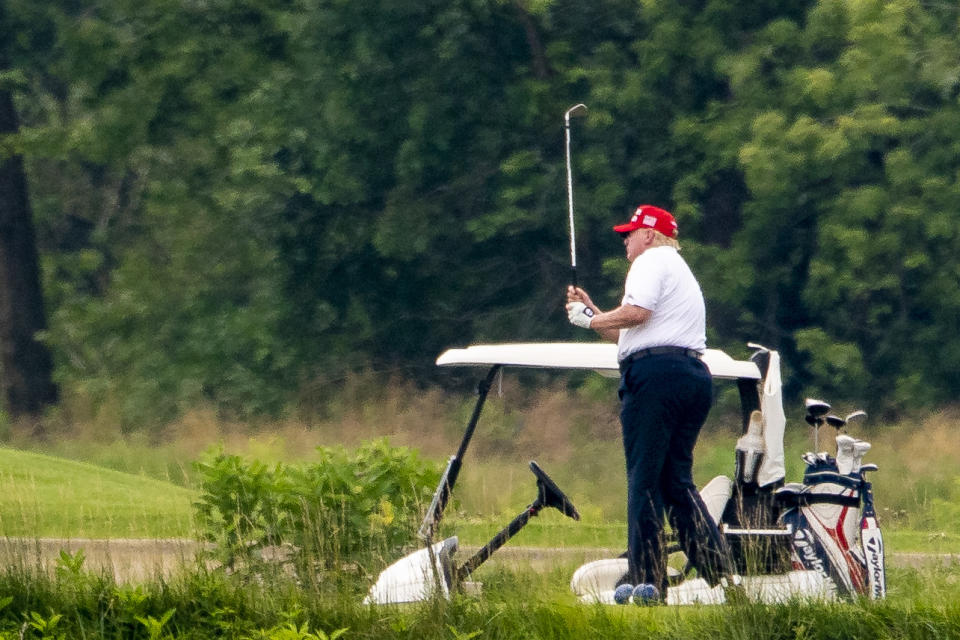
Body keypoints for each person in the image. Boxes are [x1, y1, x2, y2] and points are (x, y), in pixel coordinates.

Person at [565, 204, 732, 597]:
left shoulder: (652, 260)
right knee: (675, 482)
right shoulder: (678, 269)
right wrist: (593, 313)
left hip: (656, 380)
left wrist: (589, 320)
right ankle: (721, 573)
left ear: (650, 235)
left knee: (644, 483)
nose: (625, 240)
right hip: (691, 377)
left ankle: (647, 581)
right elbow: (630, 335)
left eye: (630, 233)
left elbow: (637, 314)